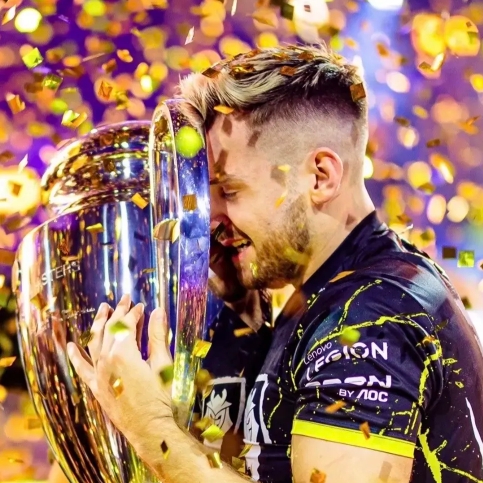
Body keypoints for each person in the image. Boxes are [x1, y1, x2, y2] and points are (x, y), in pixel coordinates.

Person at [67, 44, 483, 483]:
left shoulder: (370, 315)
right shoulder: (323, 297)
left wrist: (152, 430)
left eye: (230, 190)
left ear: (320, 177)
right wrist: (245, 328)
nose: (211, 219)